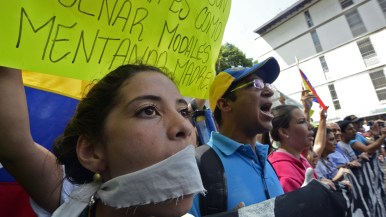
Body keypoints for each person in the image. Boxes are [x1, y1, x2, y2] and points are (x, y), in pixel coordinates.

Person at [0, 65, 205, 217]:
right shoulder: (72, 199)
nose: (186, 127)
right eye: (148, 110)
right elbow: (13, 144)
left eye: (183, 112)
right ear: (92, 152)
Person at [189, 57, 284, 216]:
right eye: (256, 84)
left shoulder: (264, 159)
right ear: (225, 104)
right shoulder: (197, 166)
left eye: (266, 84)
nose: (269, 91)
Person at [268, 104, 319, 193]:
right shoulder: (284, 172)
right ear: (284, 132)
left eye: (307, 121)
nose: (311, 126)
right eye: (302, 121)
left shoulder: (299, 157)